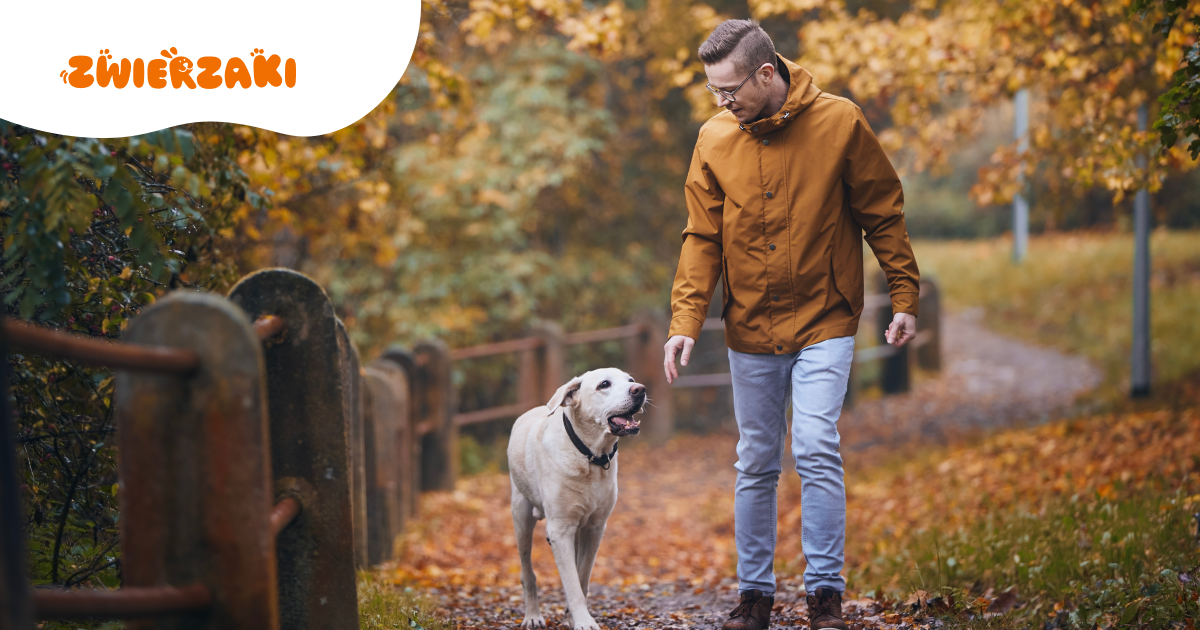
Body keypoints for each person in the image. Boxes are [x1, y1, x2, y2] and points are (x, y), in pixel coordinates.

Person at [662, 19, 921, 630]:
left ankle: (825, 594)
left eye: (729, 89)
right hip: (750, 324)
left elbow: (882, 212)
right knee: (756, 458)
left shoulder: (840, 122)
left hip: (825, 317)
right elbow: (702, 237)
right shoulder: (713, 137)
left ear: (766, 73)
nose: (721, 101)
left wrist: (904, 294)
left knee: (814, 443)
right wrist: (686, 320)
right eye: (712, 90)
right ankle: (754, 597)